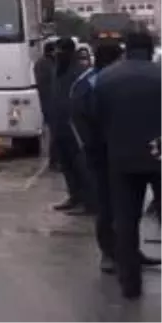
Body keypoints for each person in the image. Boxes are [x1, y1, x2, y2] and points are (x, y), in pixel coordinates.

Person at [71, 40, 162, 274]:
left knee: (127, 209)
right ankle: (109, 254)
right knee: (107, 207)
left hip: (122, 153)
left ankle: (130, 254)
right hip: (102, 156)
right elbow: (82, 120)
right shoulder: (92, 82)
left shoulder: (110, 78)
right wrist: (94, 151)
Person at [91, 30, 162, 299]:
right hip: (159, 156)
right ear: (151, 48)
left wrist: (100, 156)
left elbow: (94, 123)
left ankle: (130, 285)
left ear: (126, 48)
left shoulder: (106, 79)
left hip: (120, 159)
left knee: (125, 223)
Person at [50, 37, 94, 215]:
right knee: (66, 165)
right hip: (59, 126)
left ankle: (89, 202)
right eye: (56, 51)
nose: (57, 54)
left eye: (61, 51)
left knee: (81, 166)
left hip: (75, 128)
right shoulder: (57, 70)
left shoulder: (80, 72)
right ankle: (74, 196)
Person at [34, 40, 58, 169]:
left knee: (53, 131)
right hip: (49, 101)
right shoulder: (46, 64)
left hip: (48, 100)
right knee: (54, 132)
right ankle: (54, 161)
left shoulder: (43, 63)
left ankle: (55, 160)